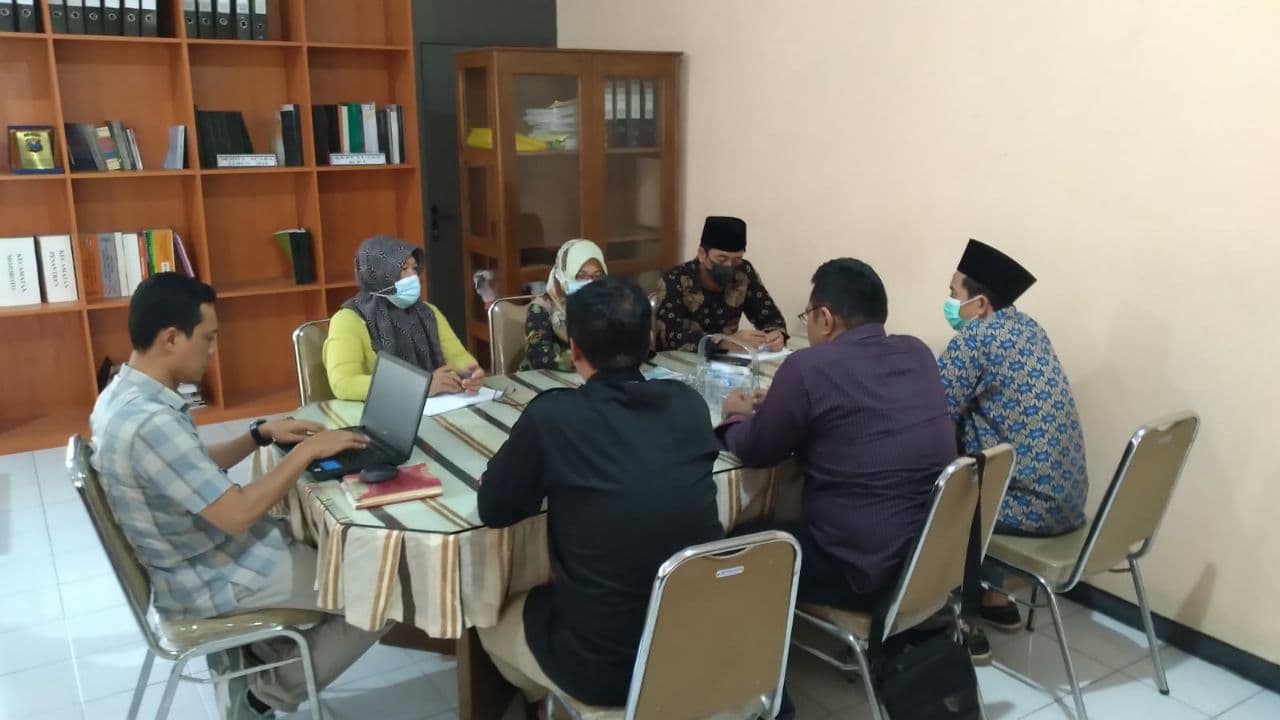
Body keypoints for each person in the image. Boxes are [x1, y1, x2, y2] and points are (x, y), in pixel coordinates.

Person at [90, 273, 382, 719]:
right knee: (383, 590)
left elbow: (188, 467)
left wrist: (258, 435)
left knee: (327, 540)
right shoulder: (151, 424)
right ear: (171, 338)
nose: (213, 350)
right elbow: (238, 514)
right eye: (207, 338)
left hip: (197, 561)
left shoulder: (122, 396)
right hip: (217, 577)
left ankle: (269, 653)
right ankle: (264, 698)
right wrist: (306, 452)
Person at [476, 277, 723, 708]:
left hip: (604, 670)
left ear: (574, 348)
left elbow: (494, 509)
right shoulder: (688, 404)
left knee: (487, 618)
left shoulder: (553, 416)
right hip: (697, 650)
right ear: (649, 341)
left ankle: (550, 702)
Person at [719, 258, 957, 614]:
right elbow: (857, 417)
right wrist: (786, 406)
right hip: (930, 559)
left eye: (809, 316)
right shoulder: (917, 353)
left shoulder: (807, 367)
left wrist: (735, 416)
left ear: (825, 318)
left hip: (862, 570)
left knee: (730, 544)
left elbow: (756, 449)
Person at [938, 239, 1088, 637]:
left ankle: (959, 623)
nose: (949, 302)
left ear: (980, 304)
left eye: (954, 293)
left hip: (1024, 507)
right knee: (986, 451)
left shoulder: (976, 338)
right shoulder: (1029, 328)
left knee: (937, 493)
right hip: (1067, 502)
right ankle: (995, 599)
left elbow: (933, 411)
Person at [324, 235, 484, 401]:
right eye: (403, 269)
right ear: (379, 273)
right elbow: (344, 384)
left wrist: (471, 374)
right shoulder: (348, 319)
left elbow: (457, 356)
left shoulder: (428, 312)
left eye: (414, 268)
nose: (413, 276)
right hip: (378, 411)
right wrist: (419, 386)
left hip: (435, 407)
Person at [654, 216, 788, 352]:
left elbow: (769, 315)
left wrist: (776, 334)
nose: (729, 266)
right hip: (678, 361)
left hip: (729, 361)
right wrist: (722, 342)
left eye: (737, 260)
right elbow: (667, 336)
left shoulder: (743, 272)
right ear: (702, 254)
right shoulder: (675, 278)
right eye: (722, 259)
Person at [522, 238, 607, 371]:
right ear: (563, 275)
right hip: (544, 379)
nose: (589, 283)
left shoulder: (605, 305)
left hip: (590, 377)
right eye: (581, 276)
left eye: (596, 276)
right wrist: (590, 360)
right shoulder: (541, 309)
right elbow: (540, 358)